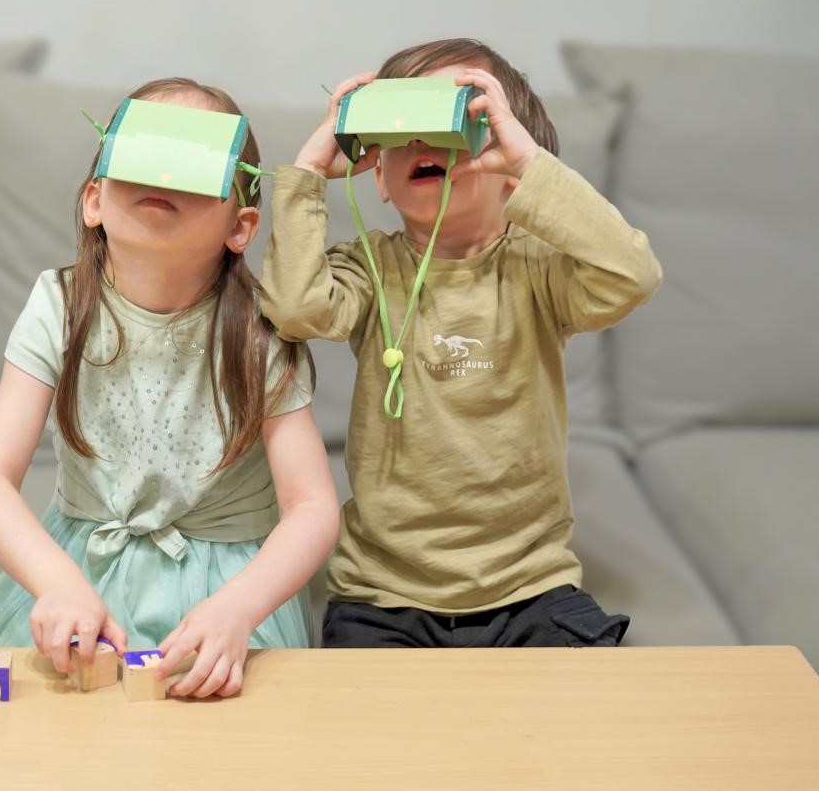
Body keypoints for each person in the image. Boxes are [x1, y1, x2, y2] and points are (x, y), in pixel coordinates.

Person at [260, 39, 662, 648]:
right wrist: (310, 173)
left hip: (529, 585)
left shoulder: (540, 270)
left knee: (578, 721)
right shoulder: (371, 268)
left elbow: (632, 275)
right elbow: (295, 310)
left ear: (508, 166)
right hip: (382, 593)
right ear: (381, 182)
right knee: (366, 735)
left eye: (456, 123)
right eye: (401, 129)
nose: (422, 143)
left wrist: (528, 164)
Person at [0, 78, 339, 698]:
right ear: (94, 201)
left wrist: (239, 609)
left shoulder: (259, 330)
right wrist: (56, 581)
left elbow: (313, 507)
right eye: (142, 154)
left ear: (240, 227)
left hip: (226, 592)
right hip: (80, 570)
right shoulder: (57, 305)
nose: (165, 175)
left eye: (194, 165)